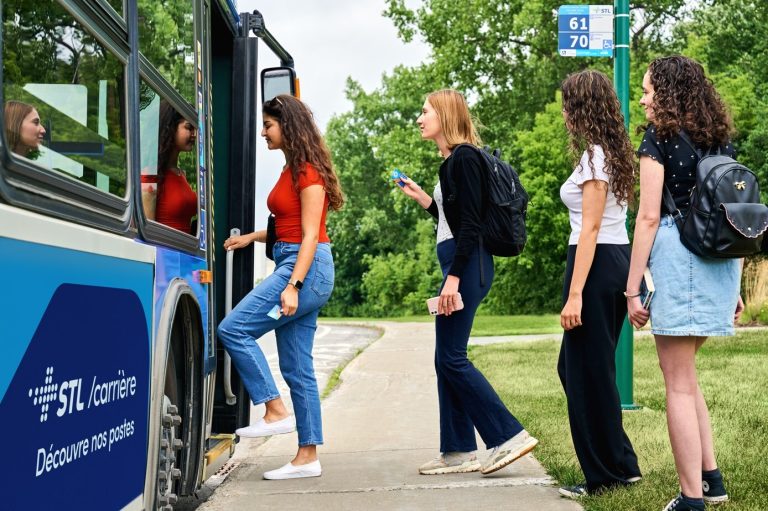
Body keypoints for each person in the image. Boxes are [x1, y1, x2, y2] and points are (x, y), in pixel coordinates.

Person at [395, 89, 538, 476]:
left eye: (425, 111)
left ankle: (508, 436)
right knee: (446, 359)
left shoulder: (464, 157)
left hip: (468, 267)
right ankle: (458, 450)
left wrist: (453, 278)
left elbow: (472, 225)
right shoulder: (453, 161)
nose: (420, 118)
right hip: (461, 263)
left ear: (444, 114)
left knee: (452, 358)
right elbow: (454, 222)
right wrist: (427, 201)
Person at [627, 55, 743, 511]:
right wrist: (733, 289)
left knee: (676, 383)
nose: (643, 98)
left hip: (681, 258)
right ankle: (711, 481)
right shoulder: (720, 138)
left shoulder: (660, 138)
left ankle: (691, 499)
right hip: (721, 260)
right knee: (686, 378)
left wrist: (631, 285)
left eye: (649, 90)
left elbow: (649, 216)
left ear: (669, 94)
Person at [217, 94, 343, 480]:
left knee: (234, 328)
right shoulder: (292, 169)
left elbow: (309, 236)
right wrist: (250, 238)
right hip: (295, 262)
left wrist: (293, 286)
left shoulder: (308, 172)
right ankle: (308, 457)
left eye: (268, 125)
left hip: (306, 269)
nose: (262, 131)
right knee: (297, 367)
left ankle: (274, 410)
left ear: (287, 126)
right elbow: (283, 227)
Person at [555, 70, 641, 499]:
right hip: (612, 261)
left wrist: (574, 294)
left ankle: (606, 476)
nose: (565, 113)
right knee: (585, 370)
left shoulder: (595, 158)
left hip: (595, 264)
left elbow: (589, 229)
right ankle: (620, 464)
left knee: (588, 374)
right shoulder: (611, 153)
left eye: (568, 104)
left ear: (581, 108)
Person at [150, 101, 197, 233]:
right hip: (165, 252)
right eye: (189, 128)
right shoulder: (150, 175)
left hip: (186, 252)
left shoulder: (180, 174)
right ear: (170, 127)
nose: (194, 134)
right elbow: (146, 233)